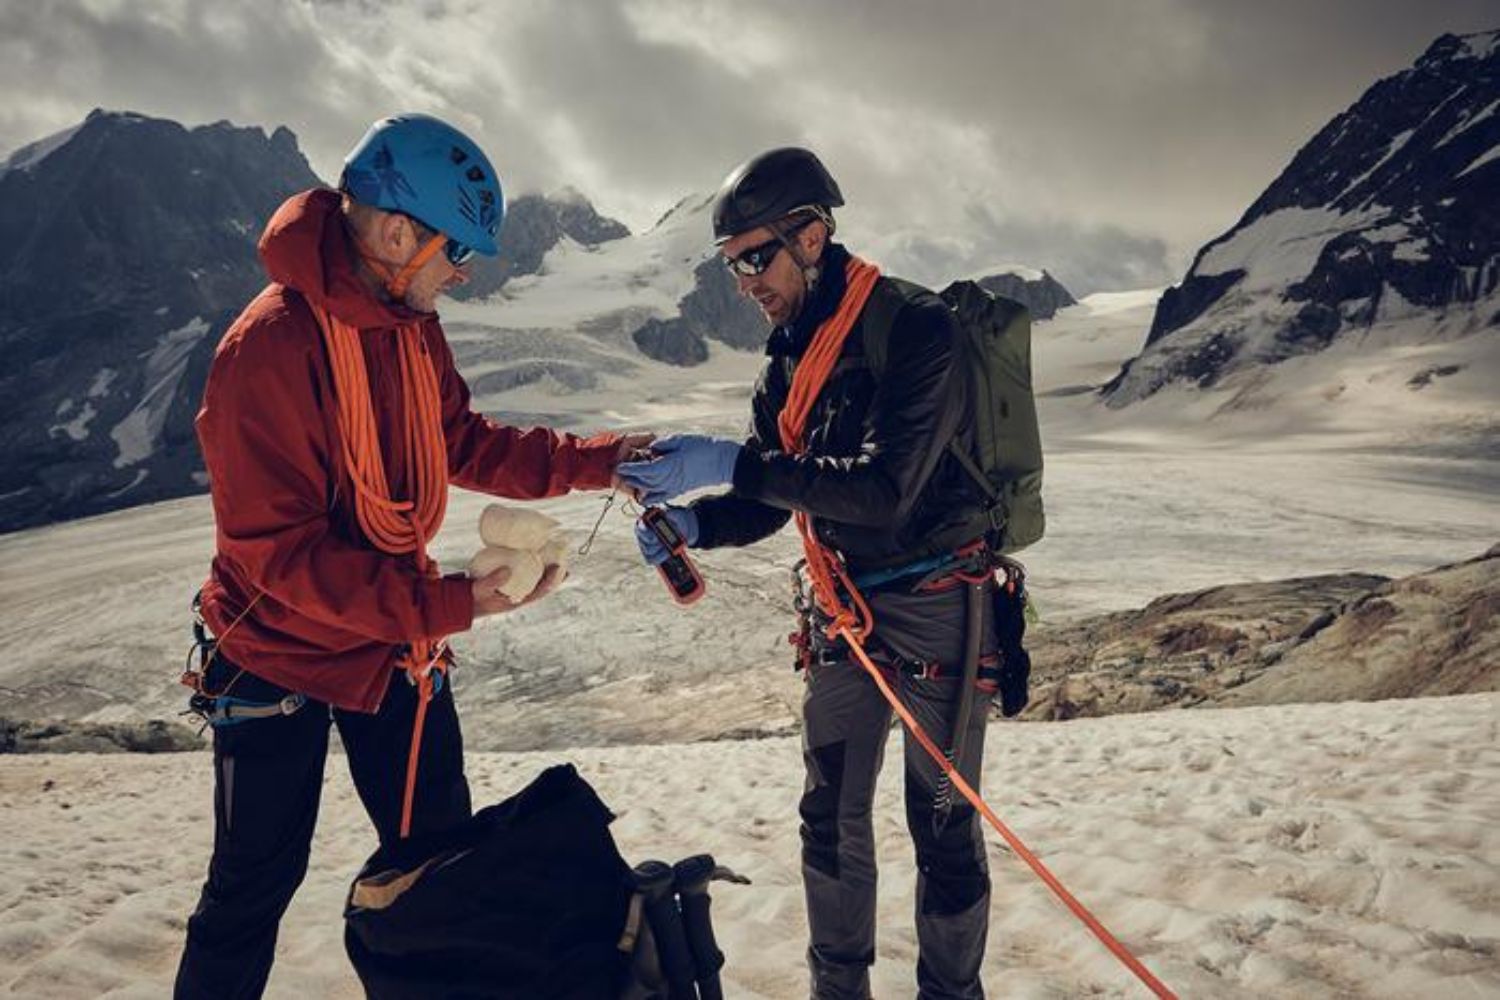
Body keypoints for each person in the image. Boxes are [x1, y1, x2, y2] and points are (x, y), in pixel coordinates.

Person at [175, 113, 649, 999]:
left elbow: (457, 439)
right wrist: (448, 605)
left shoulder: (406, 320)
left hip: (392, 645)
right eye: (455, 250)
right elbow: (282, 557)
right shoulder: (266, 352)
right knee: (250, 890)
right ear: (397, 233)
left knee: (441, 872)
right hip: (274, 655)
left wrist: (603, 461)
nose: (462, 272)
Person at [618, 147, 1002, 999]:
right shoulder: (787, 363)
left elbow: (884, 490)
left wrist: (731, 462)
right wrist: (697, 522)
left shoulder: (917, 330)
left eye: (756, 256)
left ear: (814, 234)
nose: (745, 280)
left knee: (939, 825)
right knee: (828, 818)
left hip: (939, 606)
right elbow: (772, 495)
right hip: (844, 615)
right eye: (732, 265)